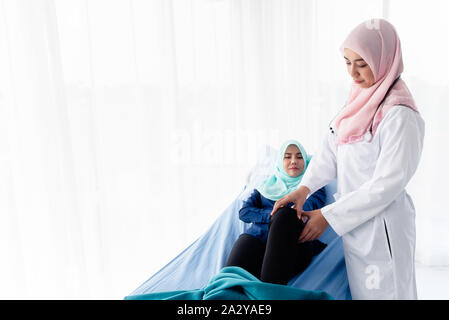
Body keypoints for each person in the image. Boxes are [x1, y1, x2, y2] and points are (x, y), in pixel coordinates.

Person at [271, 19, 425, 300]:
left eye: (362, 64)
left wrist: (329, 216)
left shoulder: (400, 115)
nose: (352, 73)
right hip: (357, 226)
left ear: (383, 60)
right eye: (347, 62)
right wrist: (304, 188)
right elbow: (332, 150)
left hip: (383, 229)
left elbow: (386, 185)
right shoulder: (358, 100)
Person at [226, 140, 328, 285]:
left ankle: (269, 295)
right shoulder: (265, 187)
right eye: (287, 157)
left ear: (306, 162)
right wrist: (272, 216)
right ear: (280, 161)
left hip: (294, 243)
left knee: (286, 215)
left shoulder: (313, 187)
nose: (294, 161)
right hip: (258, 237)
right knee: (230, 280)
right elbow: (244, 212)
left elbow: (303, 211)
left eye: (299, 157)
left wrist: (279, 216)